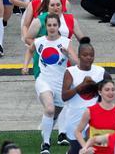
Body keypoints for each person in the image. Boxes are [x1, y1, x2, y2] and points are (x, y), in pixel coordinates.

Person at [31, 13, 79, 154]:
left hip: (60, 82)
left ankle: (47, 128)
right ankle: (45, 144)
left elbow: (76, 62)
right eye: (49, 25)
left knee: (55, 112)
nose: (52, 27)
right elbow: (29, 50)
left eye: (54, 25)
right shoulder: (39, 41)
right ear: (46, 26)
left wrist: (68, 54)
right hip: (44, 80)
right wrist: (25, 65)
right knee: (50, 109)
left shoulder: (66, 42)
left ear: (58, 26)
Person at [60, 39, 109, 146]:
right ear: (79, 56)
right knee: (76, 149)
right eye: (85, 55)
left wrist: (96, 88)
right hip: (74, 118)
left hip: (94, 118)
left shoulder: (101, 72)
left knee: (94, 145)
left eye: (91, 55)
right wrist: (80, 87)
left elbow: (110, 89)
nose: (88, 58)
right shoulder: (71, 72)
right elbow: (64, 96)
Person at [73, 79, 115, 154]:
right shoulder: (90, 111)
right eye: (107, 90)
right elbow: (77, 131)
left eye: (113, 90)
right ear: (100, 92)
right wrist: (85, 147)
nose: (111, 92)